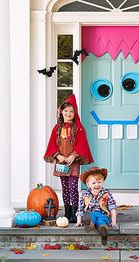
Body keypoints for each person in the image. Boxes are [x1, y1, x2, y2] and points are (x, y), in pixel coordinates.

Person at [44, 94, 93, 223]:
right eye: (66, 111)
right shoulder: (57, 128)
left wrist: (73, 155)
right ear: (61, 112)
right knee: (64, 187)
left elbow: (82, 145)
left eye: (71, 111)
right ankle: (67, 211)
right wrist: (58, 156)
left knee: (73, 187)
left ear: (75, 112)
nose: (68, 113)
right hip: (61, 162)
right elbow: (52, 145)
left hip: (73, 163)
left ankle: (75, 212)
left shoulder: (79, 129)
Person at [75, 166, 117, 246]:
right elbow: (80, 208)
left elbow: (112, 207)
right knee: (91, 217)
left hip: (103, 214)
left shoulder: (106, 193)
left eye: (99, 182)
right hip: (90, 213)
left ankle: (103, 231)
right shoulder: (85, 194)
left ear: (103, 181)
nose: (97, 185)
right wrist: (78, 221)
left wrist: (114, 222)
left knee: (102, 221)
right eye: (93, 183)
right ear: (88, 184)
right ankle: (89, 225)